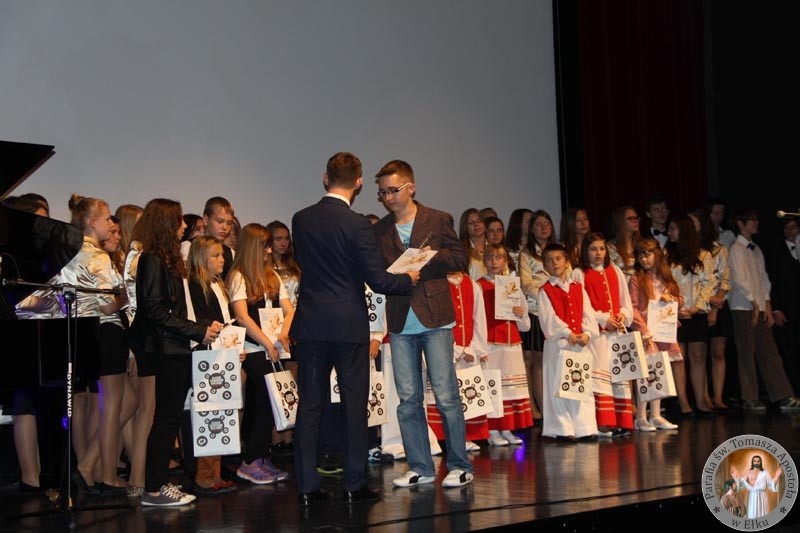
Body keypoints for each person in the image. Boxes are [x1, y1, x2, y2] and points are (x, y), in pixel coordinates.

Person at [290, 152, 418, 505]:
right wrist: (408, 278)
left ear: (325, 177)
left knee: (310, 406)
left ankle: (306, 487)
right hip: (348, 325)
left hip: (312, 323)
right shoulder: (358, 224)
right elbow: (377, 279)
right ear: (359, 182)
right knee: (354, 405)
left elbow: (303, 262)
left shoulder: (301, 219)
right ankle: (354, 483)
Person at [372, 159, 474, 489]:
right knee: (408, 400)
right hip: (401, 320)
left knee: (446, 395)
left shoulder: (438, 219)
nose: (388, 197)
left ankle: (459, 465)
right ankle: (420, 466)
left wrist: (431, 255)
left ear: (411, 187)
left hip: (436, 317)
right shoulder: (379, 231)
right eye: (382, 192)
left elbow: (461, 259)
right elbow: (377, 275)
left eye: (393, 190)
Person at [128, 198, 222, 506]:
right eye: (179, 220)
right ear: (166, 224)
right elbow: (154, 310)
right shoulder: (153, 259)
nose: (184, 225)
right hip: (166, 347)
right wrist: (196, 331)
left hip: (174, 344)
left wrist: (197, 329)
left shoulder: (163, 258)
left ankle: (156, 484)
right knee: (166, 418)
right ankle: (154, 488)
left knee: (167, 418)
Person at [226, 223, 294, 485]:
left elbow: (289, 309)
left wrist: (283, 334)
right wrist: (267, 343)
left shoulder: (272, 276)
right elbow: (242, 316)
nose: (269, 250)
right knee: (269, 400)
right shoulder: (239, 276)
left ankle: (259, 456)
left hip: (273, 349)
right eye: (265, 245)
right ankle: (251, 460)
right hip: (253, 349)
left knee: (260, 402)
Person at [727, 208, 800, 412]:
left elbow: (764, 278)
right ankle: (749, 397)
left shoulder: (756, 249)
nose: (756, 223)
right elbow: (739, 279)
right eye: (752, 220)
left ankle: (783, 395)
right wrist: (754, 302)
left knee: (769, 351)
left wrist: (766, 304)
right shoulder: (736, 249)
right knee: (746, 352)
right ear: (741, 224)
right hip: (743, 307)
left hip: (758, 306)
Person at [184, 236, 238, 495]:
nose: (222, 259)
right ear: (200, 258)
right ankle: (204, 474)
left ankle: (214, 471)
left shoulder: (217, 283)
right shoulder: (195, 285)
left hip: (221, 356)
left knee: (220, 413)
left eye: (222, 255)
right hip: (206, 357)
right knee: (207, 413)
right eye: (215, 255)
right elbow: (198, 320)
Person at [572, 232, 634, 437]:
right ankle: (604, 422)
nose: (598, 253)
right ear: (585, 251)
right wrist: (602, 318)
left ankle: (622, 420)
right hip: (596, 335)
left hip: (616, 334)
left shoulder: (615, 270)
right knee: (600, 376)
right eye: (593, 249)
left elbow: (625, 301)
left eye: (601, 249)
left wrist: (623, 316)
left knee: (619, 375)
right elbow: (581, 305)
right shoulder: (579, 273)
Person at [537, 243, 599, 441]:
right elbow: (548, 318)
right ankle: (562, 427)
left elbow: (587, 313)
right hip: (559, 344)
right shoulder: (545, 290)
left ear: (566, 262)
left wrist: (587, 333)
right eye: (549, 260)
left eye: (558, 259)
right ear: (545, 266)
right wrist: (566, 332)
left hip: (579, 344)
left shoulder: (578, 287)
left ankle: (584, 427)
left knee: (580, 385)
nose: (554, 263)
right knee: (559, 387)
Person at [478, 243, 533, 445]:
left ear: (505, 261)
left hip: (511, 345)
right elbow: (477, 319)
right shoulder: (478, 286)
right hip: (491, 343)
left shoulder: (512, 286)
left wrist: (520, 313)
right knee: (494, 386)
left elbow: (525, 325)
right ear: (484, 262)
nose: (494, 262)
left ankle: (508, 428)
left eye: (498, 258)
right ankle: (492, 430)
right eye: (490, 258)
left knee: (511, 389)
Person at [628, 237, 681, 430]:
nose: (644, 259)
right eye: (640, 256)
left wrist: (671, 299)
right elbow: (632, 307)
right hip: (647, 332)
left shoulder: (666, 278)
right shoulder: (636, 279)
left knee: (659, 370)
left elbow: (679, 299)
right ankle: (641, 416)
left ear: (657, 255)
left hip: (663, 330)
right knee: (645, 371)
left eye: (647, 255)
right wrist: (643, 330)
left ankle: (656, 414)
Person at [666, 214, 715, 415]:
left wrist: (697, 308)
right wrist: (675, 308)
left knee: (698, 355)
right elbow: (663, 283)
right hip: (674, 314)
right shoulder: (666, 256)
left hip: (696, 312)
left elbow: (708, 284)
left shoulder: (704, 255)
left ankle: (701, 400)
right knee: (678, 358)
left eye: (673, 228)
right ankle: (683, 402)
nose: (669, 233)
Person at [517, 210, 557, 422]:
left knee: (553, 359)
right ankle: (535, 405)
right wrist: (547, 297)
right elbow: (526, 284)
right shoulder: (526, 254)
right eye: (539, 224)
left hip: (557, 313)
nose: (543, 227)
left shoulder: (559, 250)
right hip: (535, 311)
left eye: (547, 223)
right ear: (531, 229)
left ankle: (553, 404)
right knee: (534, 360)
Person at [692, 207, 733, 409]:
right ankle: (704, 397)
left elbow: (725, 279)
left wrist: (716, 303)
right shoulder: (690, 251)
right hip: (698, 305)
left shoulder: (720, 250)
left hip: (718, 302)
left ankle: (718, 396)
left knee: (718, 351)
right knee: (699, 353)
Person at [768, 217, 800, 394]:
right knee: (789, 349)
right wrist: (776, 308)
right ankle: (792, 389)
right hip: (787, 309)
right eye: (787, 228)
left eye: (794, 227)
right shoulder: (777, 251)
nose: (791, 231)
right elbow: (772, 281)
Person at [607, 205, 642, 282]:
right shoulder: (611, 247)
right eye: (630, 218)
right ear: (620, 222)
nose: (636, 221)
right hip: (621, 286)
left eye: (636, 218)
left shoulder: (641, 245)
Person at [459, 207, 487, 281]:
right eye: (471, 223)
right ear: (465, 227)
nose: (476, 224)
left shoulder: (495, 247)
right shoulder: (461, 251)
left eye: (479, 221)